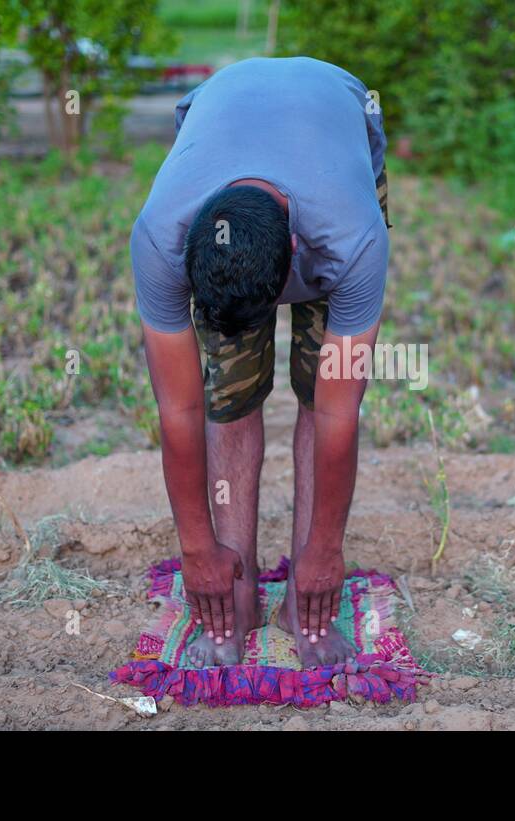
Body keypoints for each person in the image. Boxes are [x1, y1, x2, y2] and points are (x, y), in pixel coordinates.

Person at [130, 57, 390, 668]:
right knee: (230, 391)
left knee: (315, 388)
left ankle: (306, 596)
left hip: (339, 112)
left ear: (298, 255)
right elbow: (180, 405)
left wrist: (324, 551)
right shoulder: (159, 237)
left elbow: (337, 413)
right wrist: (198, 550)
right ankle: (237, 590)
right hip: (221, 107)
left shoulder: (354, 240)